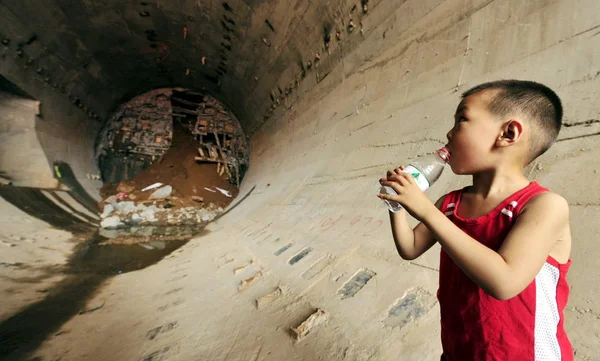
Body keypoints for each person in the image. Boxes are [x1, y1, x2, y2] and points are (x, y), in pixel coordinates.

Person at [377, 80, 573, 361]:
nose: (449, 132)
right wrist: (395, 203)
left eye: (462, 119)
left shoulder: (544, 206)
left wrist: (427, 212)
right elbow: (410, 248)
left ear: (508, 133)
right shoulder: (451, 203)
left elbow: (504, 282)